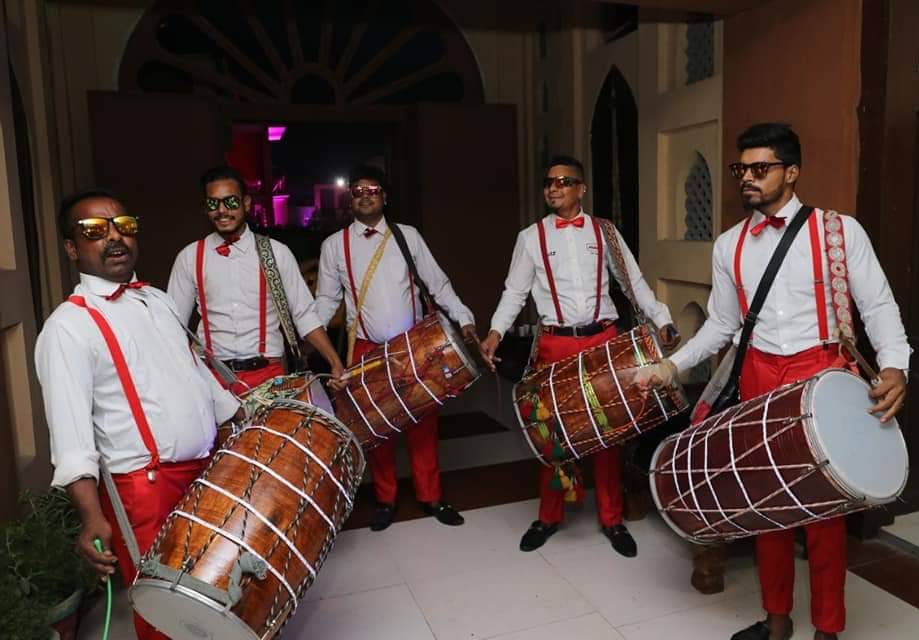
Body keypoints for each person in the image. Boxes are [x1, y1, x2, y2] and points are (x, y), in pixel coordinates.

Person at [645, 123, 909, 640]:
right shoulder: (729, 245)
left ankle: (828, 629)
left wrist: (896, 364)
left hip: (824, 374)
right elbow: (722, 324)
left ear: (791, 173)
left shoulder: (838, 231)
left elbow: (877, 304)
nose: (747, 178)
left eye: (759, 169)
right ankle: (776, 619)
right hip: (760, 374)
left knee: (824, 515)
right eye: (740, 169)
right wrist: (674, 364)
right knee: (765, 502)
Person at [35, 189, 242, 640]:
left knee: (221, 596)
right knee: (167, 614)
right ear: (72, 248)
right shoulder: (67, 327)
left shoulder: (158, 299)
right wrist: (92, 517)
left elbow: (197, 374)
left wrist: (237, 420)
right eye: (94, 230)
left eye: (123, 226)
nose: (114, 238)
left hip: (204, 472)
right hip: (143, 491)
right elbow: (71, 438)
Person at [478, 155, 681, 557]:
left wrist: (663, 319)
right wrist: (495, 332)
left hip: (603, 341)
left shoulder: (604, 231)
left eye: (564, 182)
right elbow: (514, 293)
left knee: (609, 432)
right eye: (549, 183)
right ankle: (550, 516)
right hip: (555, 343)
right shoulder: (530, 237)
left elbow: (632, 280)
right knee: (554, 434)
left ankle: (612, 518)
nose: (553, 189)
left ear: (581, 189)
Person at [314, 164, 477, 531]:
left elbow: (438, 283)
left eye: (373, 189)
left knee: (423, 425)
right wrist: (310, 339)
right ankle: (385, 500)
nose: (366, 195)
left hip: (413, 345)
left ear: (385, 196)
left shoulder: (408, 236)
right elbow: (325, 302)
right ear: (349, 199)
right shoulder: (334, 247)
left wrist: (464, 319)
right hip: (366, 349)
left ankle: (431, 496)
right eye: (358, 190)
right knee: (376, 430)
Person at [168, 166, 343, 391]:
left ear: (246, 203)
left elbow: (304, 315)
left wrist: (335, 362)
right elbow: (172, 324)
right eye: (213, 204)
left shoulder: (276, 253)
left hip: (269, 375)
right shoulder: (190, 257)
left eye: (231, 202)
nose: (222, 210)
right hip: (212, 379)